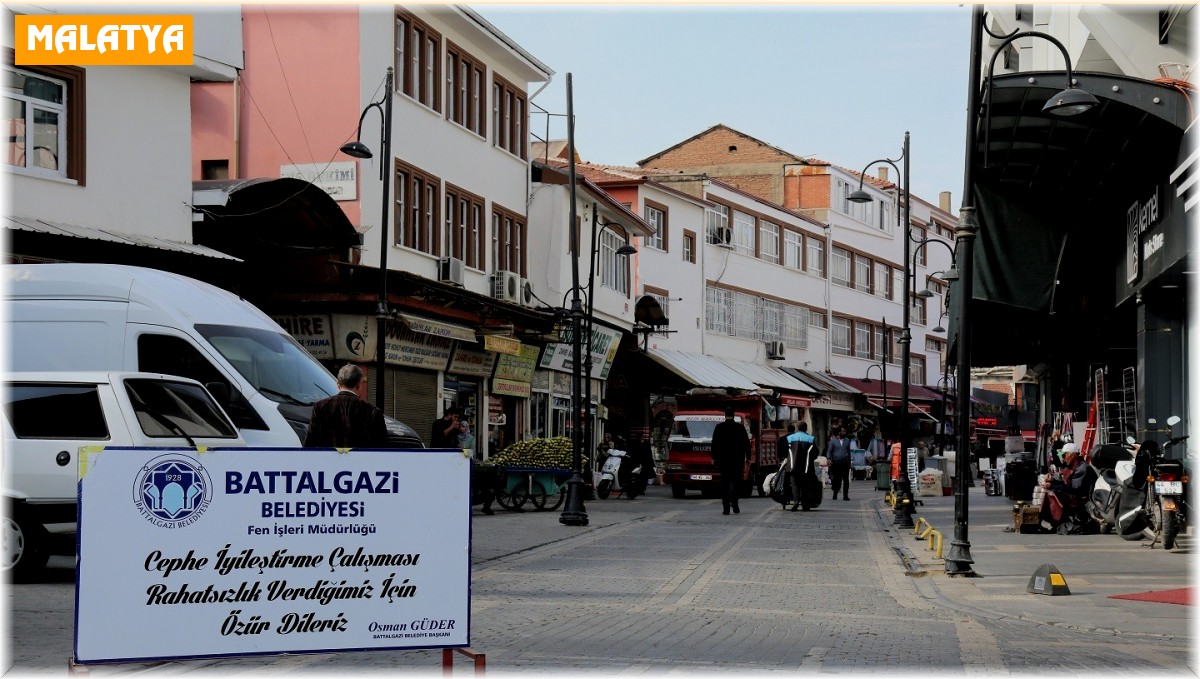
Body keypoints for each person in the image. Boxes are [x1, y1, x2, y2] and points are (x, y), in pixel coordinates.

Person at [303, 364, 388, 448]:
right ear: (359, 384)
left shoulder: (319, 407)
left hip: (327, 457)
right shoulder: (372, 412)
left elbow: (309, 445)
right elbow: (382, 449)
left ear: (338, 384)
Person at [1039, 442, 1090, 532]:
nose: (1063, 458)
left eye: (1064, 455)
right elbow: (1067, 485)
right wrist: (1052, 481)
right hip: (1075, 496)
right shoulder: (1074, 466)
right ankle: (1053, 521)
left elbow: (1074, 489)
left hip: (1082, 501)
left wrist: (1052, 485)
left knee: (1052, 493)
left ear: (1072, 455)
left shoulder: (1082, 468)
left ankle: (1058, 521)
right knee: (1050, 491)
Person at [711, 407, 749, 515]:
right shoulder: (740, 428)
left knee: (725, 484)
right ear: (734, 415)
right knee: (736, 483)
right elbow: (746, 443)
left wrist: (714, 457)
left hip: (723, 461)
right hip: (737, 461)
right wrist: (748, 457)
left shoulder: (719, 427)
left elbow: (714, 443)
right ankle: (735, 504)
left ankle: (726, 508)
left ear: (725, 415)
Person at [786, 422, 817, 511]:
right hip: (806, 466)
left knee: (795, 484)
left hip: (793, 465)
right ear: (806, 429)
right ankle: (804, 504)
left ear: (797, 428)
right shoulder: (811, 439)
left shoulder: (790, 438)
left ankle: (796, 501)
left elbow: (785, 451)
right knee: (805, 485)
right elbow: (815, 452)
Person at [825, 427, 853, 500]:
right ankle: (835, 493)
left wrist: (850, 462)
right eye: (843, 431)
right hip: (836, 463)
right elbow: (829, 451)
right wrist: (828, 459)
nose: (844, 433)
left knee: (846, 480)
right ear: (839, 432)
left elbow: (849, 452)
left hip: (845, 463)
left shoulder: (847, 440)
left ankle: (845, 495)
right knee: (837, 479)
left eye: (845, 431)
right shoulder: (833, 441)